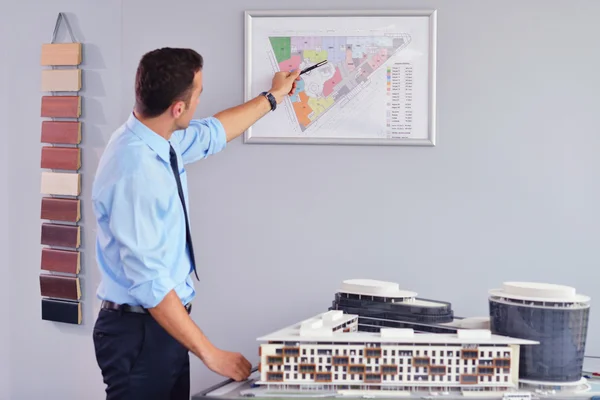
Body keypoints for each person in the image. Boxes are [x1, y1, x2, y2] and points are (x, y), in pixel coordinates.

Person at [91, 47, 300, 400]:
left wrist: (274, 97)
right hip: (140, 333)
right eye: (198, 94)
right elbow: (151, 285)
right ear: (178, 108)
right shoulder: (134, 170)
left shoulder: (155, 138)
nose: (201, 99)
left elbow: (212, 133)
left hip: (163, 329)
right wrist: (211, 355)